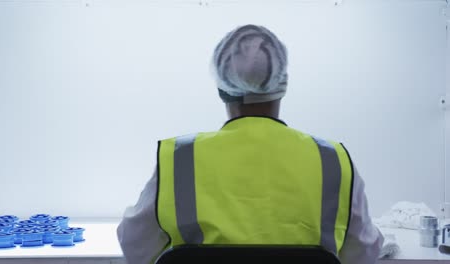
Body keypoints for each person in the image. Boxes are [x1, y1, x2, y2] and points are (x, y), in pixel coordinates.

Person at [117, 24, 384, 264]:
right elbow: (364, 253)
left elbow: (135, 245)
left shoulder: (179, 157)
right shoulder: (333, 159)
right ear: (283, 83)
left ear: (222, 88)